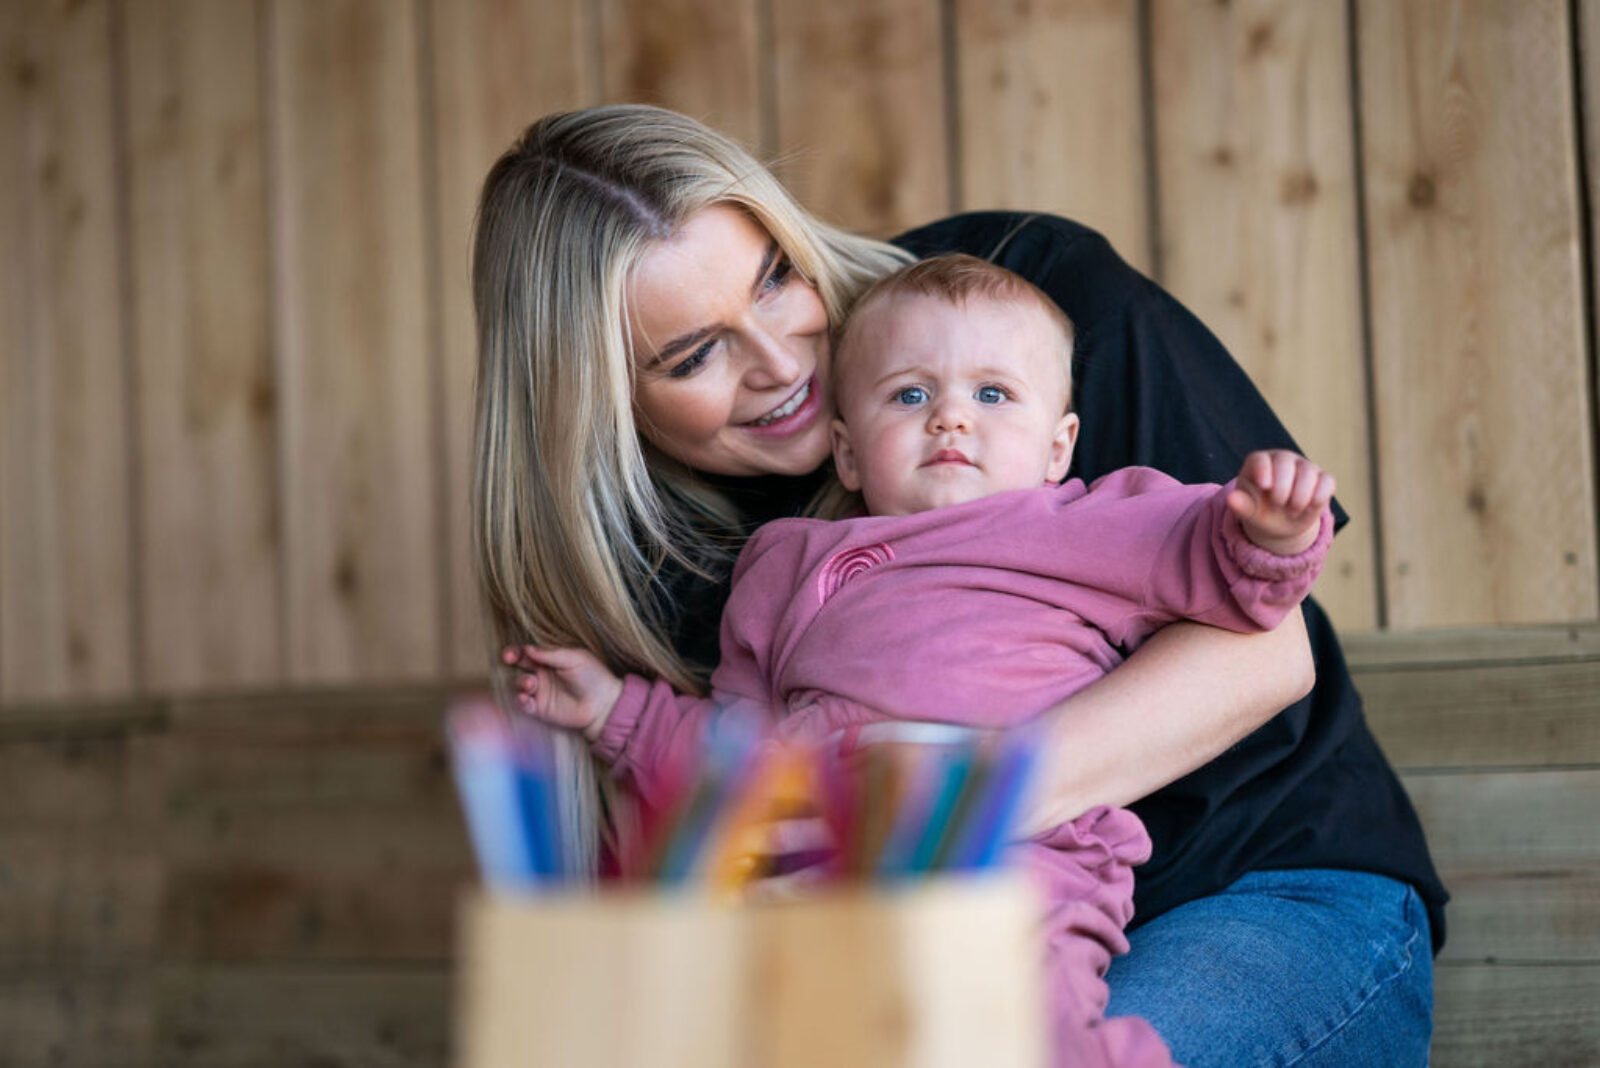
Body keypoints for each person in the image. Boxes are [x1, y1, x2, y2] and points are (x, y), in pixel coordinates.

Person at [471, 103, 1445, 1067]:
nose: (778, 365)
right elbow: (739, 788)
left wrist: (942, 819)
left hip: (1255, 887)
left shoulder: (1012, 313)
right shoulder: (661, 564)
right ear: (602, 399)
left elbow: (1268, 644)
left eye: (772, 280)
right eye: (694, 354)